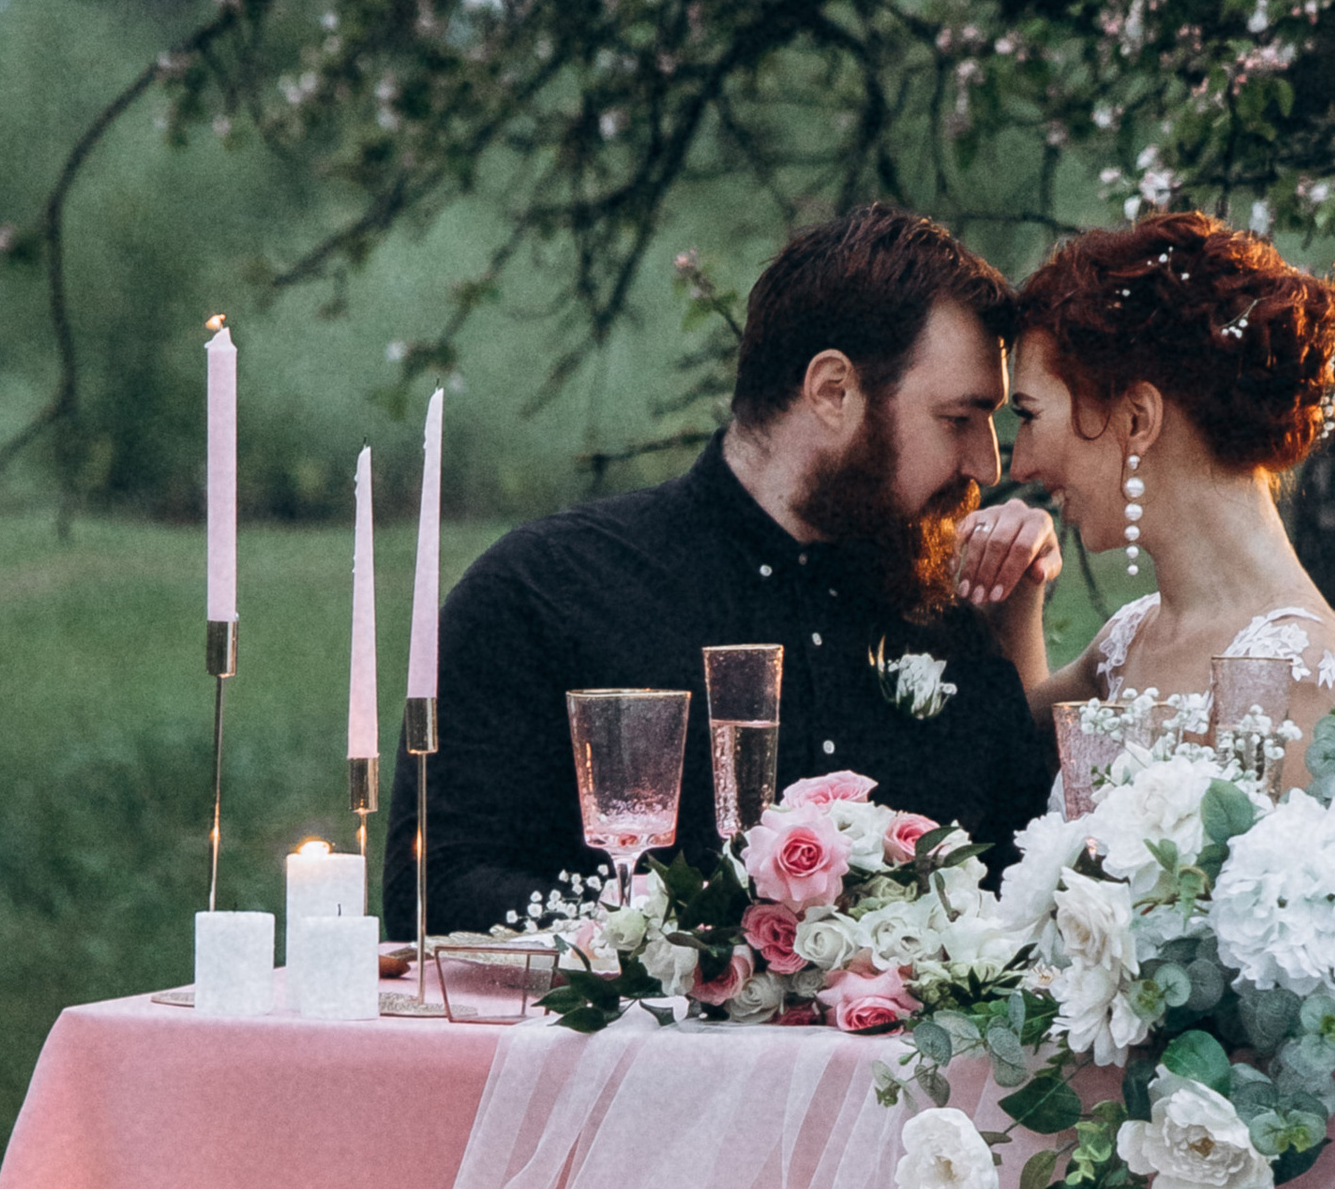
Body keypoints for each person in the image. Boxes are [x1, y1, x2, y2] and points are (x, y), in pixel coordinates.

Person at [382, 208, 1059, 935]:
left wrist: (1012, 623)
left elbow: (1022, 893)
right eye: (958, 419)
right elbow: (433, 892)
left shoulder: (944, 615)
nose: (987, 468)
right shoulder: (545, 591)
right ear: (832, 390)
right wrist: (679, 936)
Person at [951, 208, 1335, 785]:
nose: (1020, 463)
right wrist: (1018, 588)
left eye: (1029, 415)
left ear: (1137, 417)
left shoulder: (1308, 679)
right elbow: (1007, 769)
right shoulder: (1127, 643)